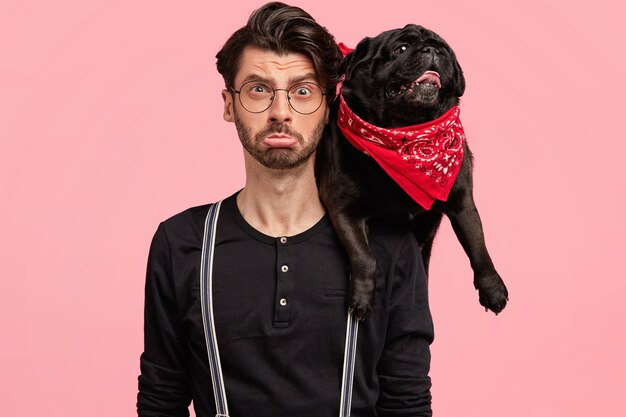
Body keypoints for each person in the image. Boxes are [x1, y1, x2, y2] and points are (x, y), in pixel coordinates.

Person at [136, 2, 434, 416]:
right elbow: (160, 399)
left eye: (302, 91)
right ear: (229, 104)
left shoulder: (389, 245)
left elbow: (407, 403)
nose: (280, 112)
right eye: (259, 89)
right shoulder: (181, 242)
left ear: (328, 105)